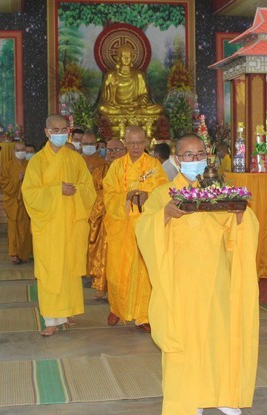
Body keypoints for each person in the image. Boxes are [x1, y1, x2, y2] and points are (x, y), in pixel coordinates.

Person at [136, 134, 260, 415]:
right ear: (177, 160)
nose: (195, 160)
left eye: (200, 154)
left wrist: (240, 214)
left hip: (217, 277)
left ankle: (223, 394)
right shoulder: (162, 194)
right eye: (188, 155)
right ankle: (187, 399)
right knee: (185, 340)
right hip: (180, 280)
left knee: (220, 335)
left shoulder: (219, 192)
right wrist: (165, 215)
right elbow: (144, 230)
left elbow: (242, 228)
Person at [22, 114, 96, 336]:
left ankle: (67, 312)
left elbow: (88, 188)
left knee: (69, 269)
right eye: (55, 130)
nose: (60, 134)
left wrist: (76, 191)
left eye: (64, 129)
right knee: (50, 271)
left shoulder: (75, 159)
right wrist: (57, 191)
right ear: (46, 132)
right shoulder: (37, 161)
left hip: (71, 225)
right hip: (50, 228)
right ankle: (51, 319)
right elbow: (30, 194)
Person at [102, 125, 168, 332]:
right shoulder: (116, 166)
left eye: (140, 142)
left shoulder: (154, 165)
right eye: (131, 143)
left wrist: (149, 196)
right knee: (116, 269)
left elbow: (164, 192)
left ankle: (143, 315)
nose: (136, 146)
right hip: (121, 227)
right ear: (125, 143)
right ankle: (117, 307)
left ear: (147, 142)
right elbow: (108, 195)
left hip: (144, 226)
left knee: (143, 270)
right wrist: (125, 197)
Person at [87, 138, 127, 300]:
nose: (112, 154)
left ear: (125, 151)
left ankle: (122, 289)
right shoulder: (99, 171)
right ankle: (102, 287)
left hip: (124, 220)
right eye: (109, 150)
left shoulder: (129, 171)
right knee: (104, 253)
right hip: (104, 219)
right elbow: (91, 195)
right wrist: (109, 198)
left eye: (117, 150)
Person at [97, 43, 163, 117]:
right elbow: (105, 99)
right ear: (118, 58)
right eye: (124, 56)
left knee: (159, 108)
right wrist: (112, 86)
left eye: (129, 56)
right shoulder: (111, 75)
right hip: (118, 108)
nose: (126, 59)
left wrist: (138, 102)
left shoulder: (138, 75)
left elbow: (144, 95)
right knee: (102, 108)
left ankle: (128, 117)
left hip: (135, 108)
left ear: (132, 58)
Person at [0, 142, 32, 265]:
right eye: (18, 150)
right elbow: (3, 184)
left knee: (24, 230)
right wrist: (16, 179)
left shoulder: (30, 165)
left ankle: (24, 254)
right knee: (12, 230)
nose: (20, 152)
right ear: (13, 152)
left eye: (22, 149)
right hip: (12, 202)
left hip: (25, 202)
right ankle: (13, 254)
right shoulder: (7, 166)